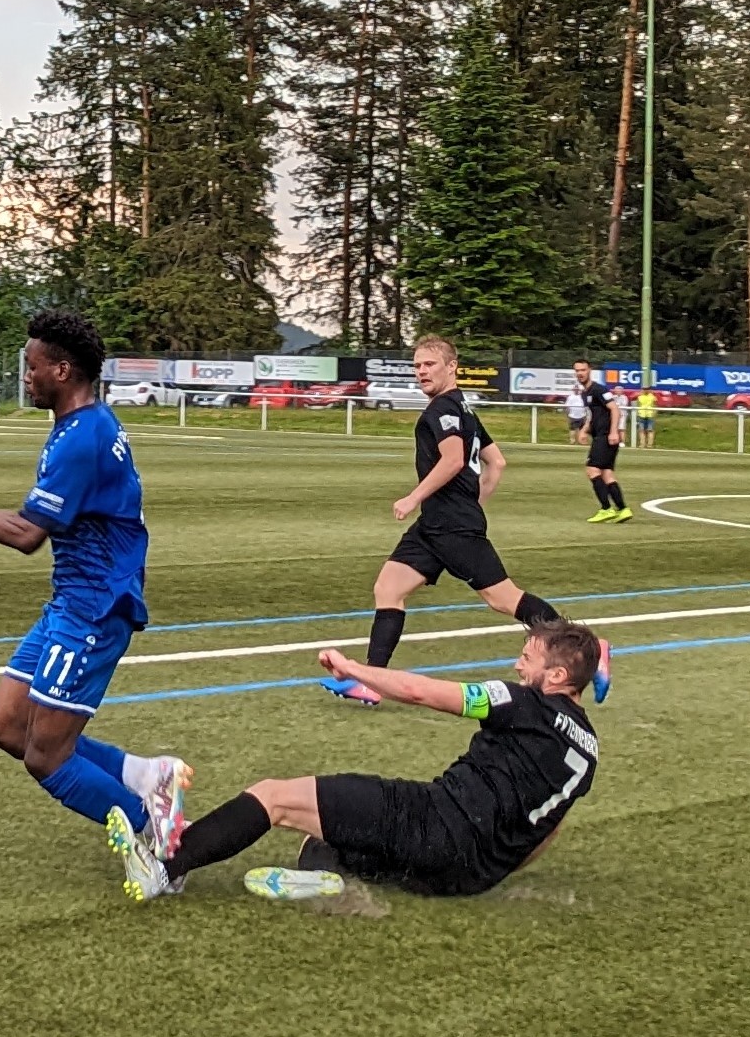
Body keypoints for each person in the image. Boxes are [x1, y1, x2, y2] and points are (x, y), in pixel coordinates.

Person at [0, 310, 189, 901]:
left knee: (46, 757)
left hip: (95, 608)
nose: (26, 376)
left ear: (62, 370)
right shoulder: (76, 424)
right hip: (71, 600)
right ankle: (144, 775)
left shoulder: (82, 438)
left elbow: (27, 534)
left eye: (33, 367)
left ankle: (154, 837)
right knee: (7, 726)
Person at [132, 623, 603, 903]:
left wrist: (353, 668)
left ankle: (166, 869)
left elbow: (420, 692)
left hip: (432, 823)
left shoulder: (518, 701)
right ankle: (328, 877)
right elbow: (548, 832)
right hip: (468, 877)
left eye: (527, 659)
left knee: (275, 797)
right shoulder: (590, 752)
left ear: (557, 675)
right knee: (327, 837)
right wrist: (494, 872)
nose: (518, 666)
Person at [318, 337, 608, 707]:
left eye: (429, 364)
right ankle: (372, 681)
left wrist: (414, 497)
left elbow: (454, 460)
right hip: (434, 525)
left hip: (451, 525)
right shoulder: (463, 407)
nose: (421, 371)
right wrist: (472, 503)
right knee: (388, 588)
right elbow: (496, 462)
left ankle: (592, 648)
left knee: (503, 599)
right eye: (417, 365)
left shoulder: (444, 408)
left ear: (451, 366)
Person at [574, 361, 631, 523]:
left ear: (589, 370)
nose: (580, 373)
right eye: (577, 371)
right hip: (600, 435)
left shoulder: (599, 389)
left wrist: (613, 431)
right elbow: (592, 415)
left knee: (592, 470)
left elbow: (615, 409)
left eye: (583, 370)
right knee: (606, 474)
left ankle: (606, 509)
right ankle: (623, 509)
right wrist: (584, 430)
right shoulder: (585, 393)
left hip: (605, 436)